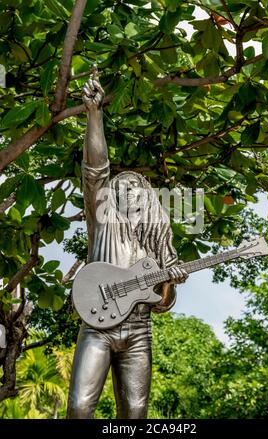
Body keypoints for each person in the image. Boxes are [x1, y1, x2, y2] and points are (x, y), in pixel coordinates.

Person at [67, 78, 188, 419]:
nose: (126, 188)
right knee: (78, 407)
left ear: (148, 197)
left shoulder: (157, 246)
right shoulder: (103, 221)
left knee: (135, 414)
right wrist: (94, 114)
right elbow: (95, 169)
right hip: (97, 327)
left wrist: (169, 281)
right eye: (119, 186)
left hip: (139, 331)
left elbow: (161, 306)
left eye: (135, 185)